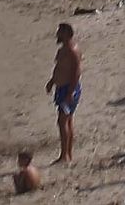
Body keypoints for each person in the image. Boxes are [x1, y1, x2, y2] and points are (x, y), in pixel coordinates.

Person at [48, 25, 81, 164]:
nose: (57, 34)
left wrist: (71, 92)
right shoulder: (63, 50)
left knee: (62, 121)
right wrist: (52, 81)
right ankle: (67, 154)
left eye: (60, 32)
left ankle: (65, 156)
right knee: (67, 120)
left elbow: (76, 72)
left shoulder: (73, 51)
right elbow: (59, 68)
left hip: (68, 90)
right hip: (61, 89)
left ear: (67, 33)